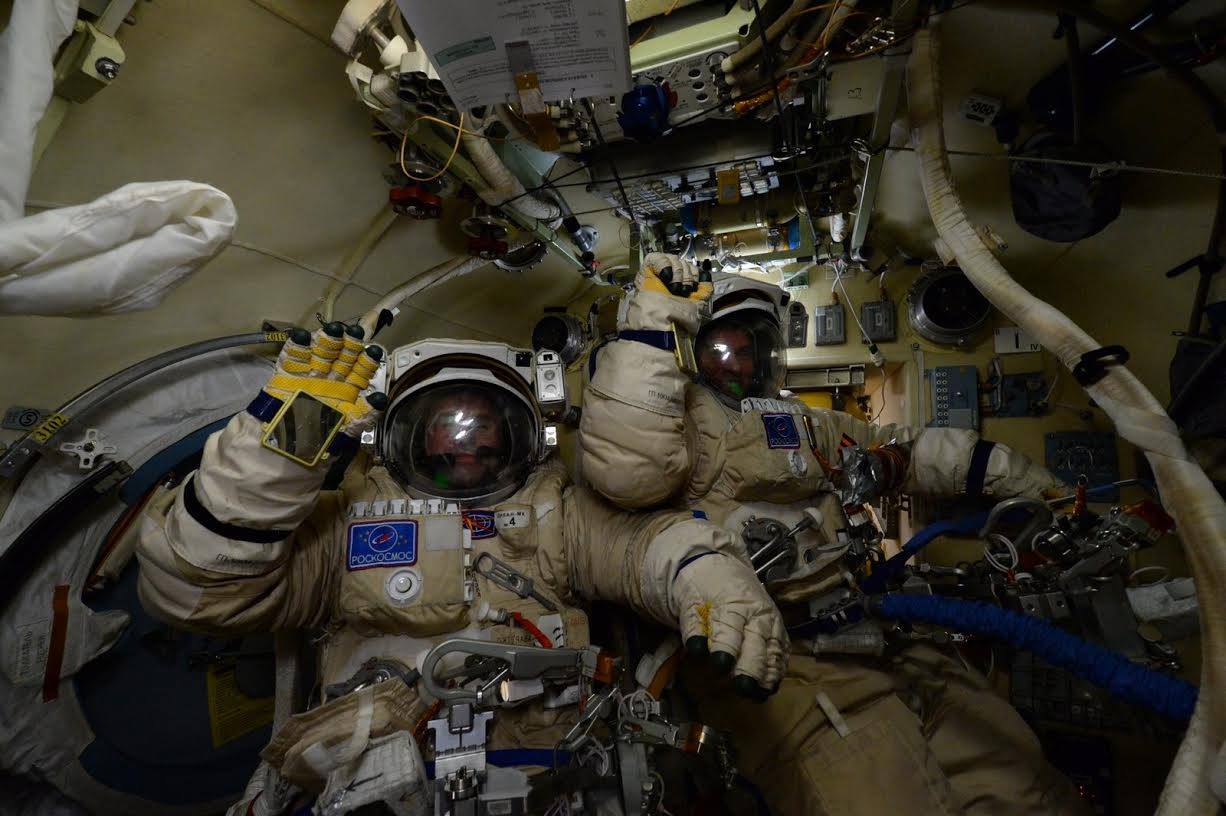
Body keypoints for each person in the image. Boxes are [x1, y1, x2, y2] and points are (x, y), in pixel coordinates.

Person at [136, 323, 785, 815]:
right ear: (398, 437)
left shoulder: (557, 512)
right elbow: (199, 587)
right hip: (381, 784)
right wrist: (278, 457)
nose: (463, 445)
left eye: (484, 427)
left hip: (557, 773)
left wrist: (709, 578)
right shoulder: (344, 526)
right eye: (442, 427)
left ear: (522, 437)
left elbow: (652, 547)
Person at [579, 254, 1089, 815]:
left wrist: (1029, 483)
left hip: (871, 629)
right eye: (725, 348)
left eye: (756, 348)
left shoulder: (805, 422)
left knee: (1019, 775)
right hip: (784, 659)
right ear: (695, 354)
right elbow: (628, 462)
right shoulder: (676, 429)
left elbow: (910, 449)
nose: (742, 364)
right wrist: (649, 324)